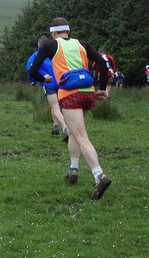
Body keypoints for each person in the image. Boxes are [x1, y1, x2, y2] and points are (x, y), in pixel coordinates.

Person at [29, 17, 112, 200]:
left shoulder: (50, 46)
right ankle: (73, 170)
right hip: (87, 92)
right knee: (74, 133)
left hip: (69, 94)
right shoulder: (82, 44)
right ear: (68, 30)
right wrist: (103, 88)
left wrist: (44, 80)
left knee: (81, 136)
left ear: (53, 32)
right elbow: (102, 64)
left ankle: (100, 176)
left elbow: (34, 70)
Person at [26, 36, 68, 139]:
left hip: (48, 83)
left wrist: (33, 80)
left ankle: (65, 127)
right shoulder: (55, 53)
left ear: (39, 44)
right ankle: (55, 126)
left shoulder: (36, 55)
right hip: (61, 82)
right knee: (59, 106)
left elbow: (29, 68)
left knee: (55, 106)